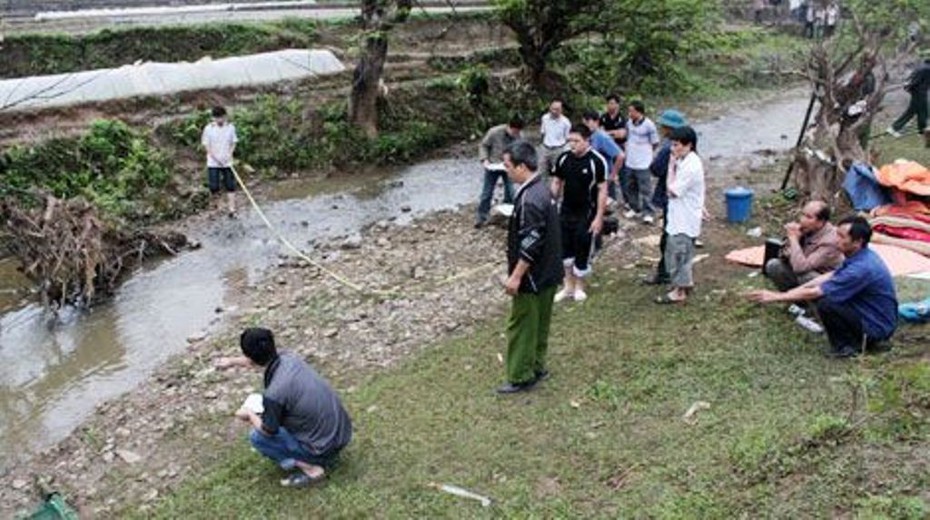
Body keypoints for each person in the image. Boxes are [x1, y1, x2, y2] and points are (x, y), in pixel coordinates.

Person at [215, 328, 353, 487]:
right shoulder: (289, 357)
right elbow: (258, 359)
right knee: (276, 410)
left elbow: (268, 430)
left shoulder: (275, 393)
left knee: (257, 437)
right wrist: (231, 361)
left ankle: (313, 469)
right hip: (342, 434)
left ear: (250, 356)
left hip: (324, 448)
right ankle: (315, 454)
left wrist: (249, 414)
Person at [748, 216, 898, 358]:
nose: (836, 239)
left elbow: (816, 289)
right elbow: (829, 276)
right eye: (836, 234)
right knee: (825, 295)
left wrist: (776, 297)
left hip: (876, 327)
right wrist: (791, 292)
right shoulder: (861, 255)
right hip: (871, 316)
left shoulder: (861, 268)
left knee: (827, 302)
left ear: (857, 241)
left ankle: (848, 347)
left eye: (841, 236)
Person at [497, 141, 563, 394]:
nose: (507, 171)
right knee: (541, 322)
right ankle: (537, 366)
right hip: (549, 272)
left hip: (532, 277)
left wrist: (515, 277)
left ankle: (521, 375)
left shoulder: (528, 200)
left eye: (508, 166)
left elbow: (530, 244)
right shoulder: (544, 190)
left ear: (522, 166)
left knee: (522, 324)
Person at [551, 124, 607, 303]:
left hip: (587, 212)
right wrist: (551, 203)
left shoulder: (597, 161)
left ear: (586, 140)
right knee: (565, 248)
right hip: (566, 209)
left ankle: (579, 286)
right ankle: (567, 286)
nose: (572, 144)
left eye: (576, 141)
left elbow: (602, 190)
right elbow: (557, 182)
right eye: (570, 141)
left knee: (582, 247)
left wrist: (599, 217)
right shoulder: (563, 158)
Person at [656, 125, 704, 304]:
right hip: (681, 215)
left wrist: (670, 167)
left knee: (679, 253)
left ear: (688, 145)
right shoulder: (685, 160)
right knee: (678, 251)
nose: (673, 149)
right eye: (672, 144)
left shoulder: (690, 166)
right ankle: (683, 284)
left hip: (684, 219)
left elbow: (672, 191)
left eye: (677, 145)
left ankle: (680, 291)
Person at [642, 109, 688, 286]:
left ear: (668, 128)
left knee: (669, 235)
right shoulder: (685, 145)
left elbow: (655, 169)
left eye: (663, 126)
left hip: (670, 195)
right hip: (680, 196)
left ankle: (665, 273)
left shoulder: (669, 147)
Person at [764, 200, 844, 291]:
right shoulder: (807, 229)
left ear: (821, 222)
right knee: (774, 265)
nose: (802, 220)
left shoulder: (830, 241)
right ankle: (795, 300)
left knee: (804, 276)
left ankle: (812, 304)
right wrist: (789, 244)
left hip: (827, 280)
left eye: (809, 217)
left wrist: (794, 239)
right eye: (802, 214)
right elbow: (782, 255)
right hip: (806, 268)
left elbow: (801, 268)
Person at [475, 115, 523, 228]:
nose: (515, 134)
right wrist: (484, 160)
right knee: (487, 193)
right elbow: (483, 145)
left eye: (517, 132)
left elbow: (521, 151)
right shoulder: (494, 132)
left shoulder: (519, 136)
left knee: (511, 192)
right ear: (509, 126)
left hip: (508, 167)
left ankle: (509, 217)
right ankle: (481, 217)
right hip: (493, 165)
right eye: (514, 131)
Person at [622, 101, 660, 224]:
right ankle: (634, 208)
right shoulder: (629, 123)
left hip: (643, 162)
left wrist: (647, 153)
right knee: (630, 186)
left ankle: (648, 212)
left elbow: (655, 143)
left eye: (632, 111)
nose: (630, 113)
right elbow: (628, 137)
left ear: (639, 112)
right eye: (629, 111)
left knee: (645, 188)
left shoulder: (649, 125)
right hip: (630, 160)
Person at [201, 105, 239, 217]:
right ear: (213, 118)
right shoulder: (208, 129)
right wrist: (216, 158)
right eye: (217, 118)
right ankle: (218, 206)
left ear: (225, 116)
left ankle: (232, 209)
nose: (219, 120)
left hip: (227, 162)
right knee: (214, 186)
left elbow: (234, 142)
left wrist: (229, 154)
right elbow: (206, 145)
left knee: (230, 185)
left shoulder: (231, 127)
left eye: (221, 117)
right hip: (213, 163)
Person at [887, 57, 930, 148]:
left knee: (923, 112)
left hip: (918, 92)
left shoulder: (921, 66)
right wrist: (910, 87)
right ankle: (894, 128)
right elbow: (916, 81)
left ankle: (922, 130)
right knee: (911, 112)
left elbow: (911, 79)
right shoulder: (927, 69)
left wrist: (908, 87)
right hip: (920, 93)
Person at [582, 110, 623, 202]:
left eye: (588, 122)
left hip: (604, 177)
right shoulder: (588, 136)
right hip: (593, 177)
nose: (586, 126)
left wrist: (612, 175)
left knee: (606, 205)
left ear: (596, 122)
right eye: (584, 123)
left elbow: (620, 156)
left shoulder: (602, 137)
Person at [539, 98, 572, 177]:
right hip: (545, 148)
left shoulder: (566, 122)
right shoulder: (545, 118)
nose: (554, 111)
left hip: (558, 149)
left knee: (558, 172)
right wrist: (542, 144)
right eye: (552, 108)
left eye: (557, 109)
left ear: (561, 110)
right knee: (541, 171)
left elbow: (567, 138)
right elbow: (543, 132)